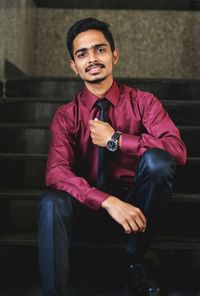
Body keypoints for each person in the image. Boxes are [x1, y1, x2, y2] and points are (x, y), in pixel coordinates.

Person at [37, 17, 187, 296]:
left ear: (114, 55)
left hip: (137, 209)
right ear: (73, 65)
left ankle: (134, 261)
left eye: (100, 49)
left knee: (159, 161)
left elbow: (177, 150)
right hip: (88, 205)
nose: (92, 59)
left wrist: (117, 140)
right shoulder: (66, 116)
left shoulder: (144, 103)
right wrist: (106, 201)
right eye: (82, 54)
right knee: (51, 202)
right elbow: (56, 172)